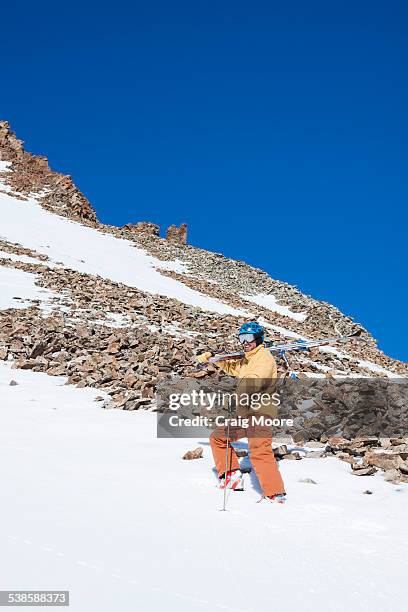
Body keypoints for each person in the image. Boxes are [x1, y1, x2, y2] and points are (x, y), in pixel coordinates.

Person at [196, 322, 286, 504]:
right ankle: (232, 475)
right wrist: (214, 360)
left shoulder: (265, 358)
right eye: (241, 339)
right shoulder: (247, 359)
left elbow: (254, 381)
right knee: (218, 438)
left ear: (258, 339)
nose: (245, 343)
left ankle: (275, 493)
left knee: (259, 450)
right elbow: (233, 368)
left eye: (249, 339)